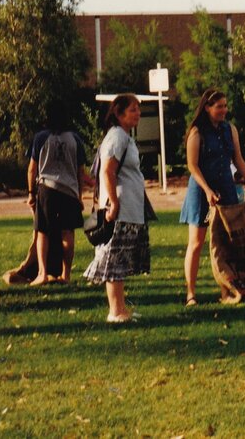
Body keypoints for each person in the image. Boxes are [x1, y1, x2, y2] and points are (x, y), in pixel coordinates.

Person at [179, 88, 245, 307]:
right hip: (201, 190)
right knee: (196, 243)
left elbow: (238, 159)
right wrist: (206, 190)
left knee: (227, 243)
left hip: (226, 187)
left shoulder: (229, 129)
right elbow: (192, 166)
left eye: (225, 105)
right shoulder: (197, 132)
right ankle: (191, 293)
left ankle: (227, 290)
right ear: (207, 107)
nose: (224, 110)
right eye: (219, 106)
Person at [84, 94, 151, 323]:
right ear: (119, 114)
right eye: (133, 110)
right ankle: (115, 311)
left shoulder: (123, 137)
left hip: (129, 208)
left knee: (120, 261)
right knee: (114, 260)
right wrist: (113, 202)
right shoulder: (117, 138)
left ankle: (121, 308)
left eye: (138, 110)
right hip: (119, 209)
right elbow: (107, 172)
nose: (138, 114)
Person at [26, 103, 87, 285]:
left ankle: (43, 273)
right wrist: (79, 195)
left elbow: (32, 169)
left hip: (47, 188)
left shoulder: (40, 138)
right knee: (67, 232)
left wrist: (31, 193)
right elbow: (80, 170)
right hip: (69, 190)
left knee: (43, 231)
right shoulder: (75, 139)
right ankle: (65, 274)